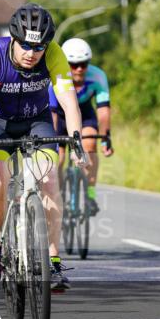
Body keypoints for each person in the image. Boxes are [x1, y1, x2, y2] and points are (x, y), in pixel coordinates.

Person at [0, 3, 88, 291]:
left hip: (37, 120)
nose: (31, 54)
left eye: (39, 48)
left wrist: (76, 142)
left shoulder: (54, 54)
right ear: (13, 38)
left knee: (49, 181)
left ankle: (53, 260)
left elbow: (69, 101)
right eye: (25, 46)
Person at [49, 38, 114, 215]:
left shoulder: (97, 76)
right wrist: (53, 144)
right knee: (59, 159)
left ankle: (90, 195)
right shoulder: (58, 76)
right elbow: (53, 114)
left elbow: (103, 111)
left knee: (90, 146)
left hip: (85, 114)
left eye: (83, 64)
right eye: (74, 64)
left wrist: (106, 139)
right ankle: (59, 197)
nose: (79, 69)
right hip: (59, 116)